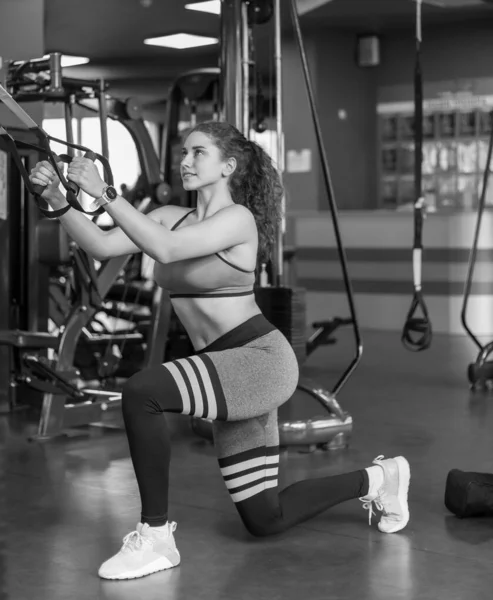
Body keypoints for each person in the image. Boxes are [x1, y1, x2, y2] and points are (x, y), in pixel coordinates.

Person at [30, 121, 411, 581]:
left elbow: (167, 251)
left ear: (228, 166)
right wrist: (58, 202)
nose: (185, 161)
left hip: (258, 360)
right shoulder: (171, 215)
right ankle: (381, 479)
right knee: (265, 518)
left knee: (142, 392)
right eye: (183, 152)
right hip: (226, 369)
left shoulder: (237, 220)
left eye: (198, 153)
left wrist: (105, 192)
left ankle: (155, 537)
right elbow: (101, 244)